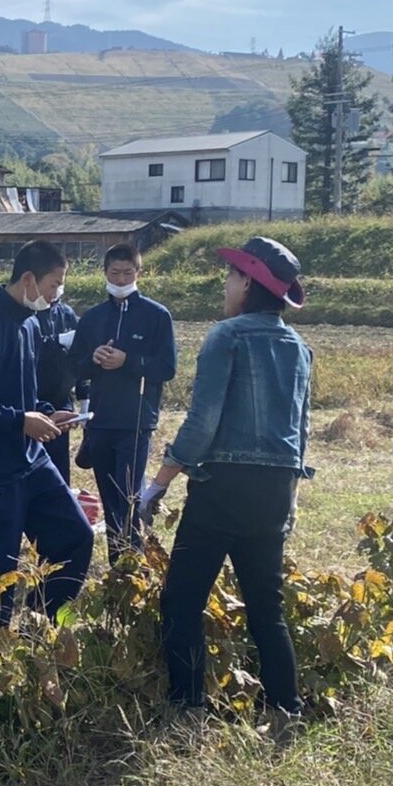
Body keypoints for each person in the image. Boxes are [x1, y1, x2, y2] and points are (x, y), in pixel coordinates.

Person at [146, 237, 313, 730]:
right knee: (266, 605)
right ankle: (285, 713)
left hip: (224, 486)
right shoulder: (300, 348)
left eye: (232, 277)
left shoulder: (228, 335)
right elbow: (301, 431)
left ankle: (189, 710)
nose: (226, 285)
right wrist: (292, 499)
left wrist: (161, 479)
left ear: (247, 283)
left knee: (183, 598)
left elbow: (203, 422)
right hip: (275, 489)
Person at [0, 241, 95, 627]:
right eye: (53, 283)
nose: (56, 293)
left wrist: (48, 413)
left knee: (76, 535)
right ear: (28, 279)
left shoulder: (30, 323)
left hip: (30, 459)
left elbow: (25, 395)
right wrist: (20, 421)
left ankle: (40, 622)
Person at [70, 244, 176, 564]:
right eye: (114, 273)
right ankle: (117, 559)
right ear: (105, 273)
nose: (120, 279)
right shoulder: (93, 318)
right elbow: (75, 365)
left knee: (129, 496)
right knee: (108, 496)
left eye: (127, 273)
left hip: (135, 421)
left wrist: (128, 361)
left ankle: (133, 562)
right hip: (100, 420)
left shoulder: (156, 315)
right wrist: (94, 358)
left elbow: (166, 368)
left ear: (138, 273)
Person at [25, 249, 84, 485]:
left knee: (57, 471)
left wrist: (84, 396)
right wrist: (56, 342)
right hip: (32, 402)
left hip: (60, 402)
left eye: (60, 284)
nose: (56, 291)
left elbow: (79, 353)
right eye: (53, 284)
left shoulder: (65, 312)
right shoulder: (27, 313)